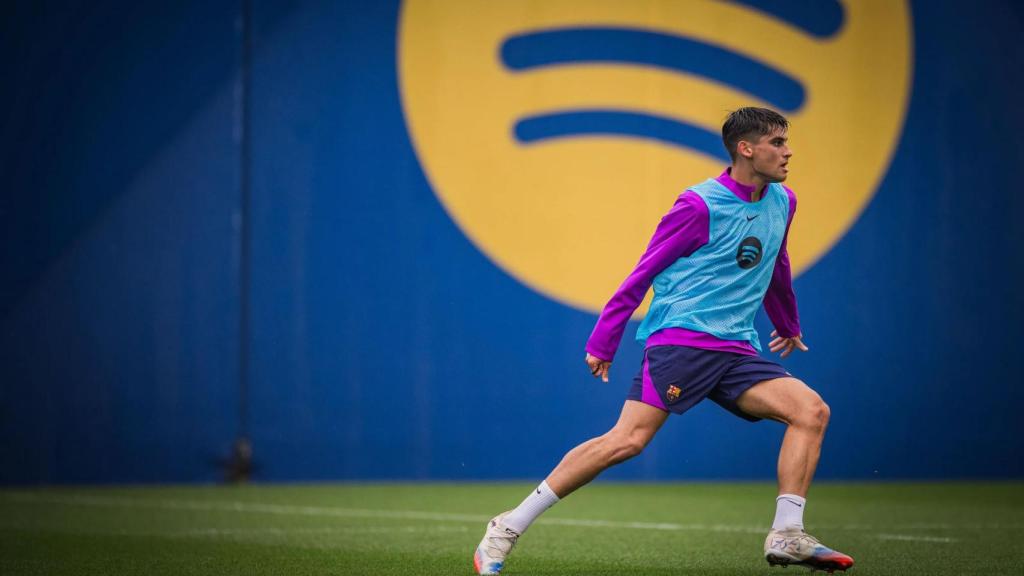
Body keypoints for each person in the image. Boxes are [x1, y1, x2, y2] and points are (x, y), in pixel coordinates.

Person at [473, 107, 854, 574]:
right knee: (627, 441)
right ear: (746, 149)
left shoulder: (784, 201)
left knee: (810, 411)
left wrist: (787, 323)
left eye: (786, 142)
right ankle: (507, 527)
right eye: (777, 142)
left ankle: (788, 534)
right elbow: (644, 272)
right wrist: (604, 339)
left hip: (736, 348)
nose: (788, 151)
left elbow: (776, 260)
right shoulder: (698, 205)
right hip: (683, 342)